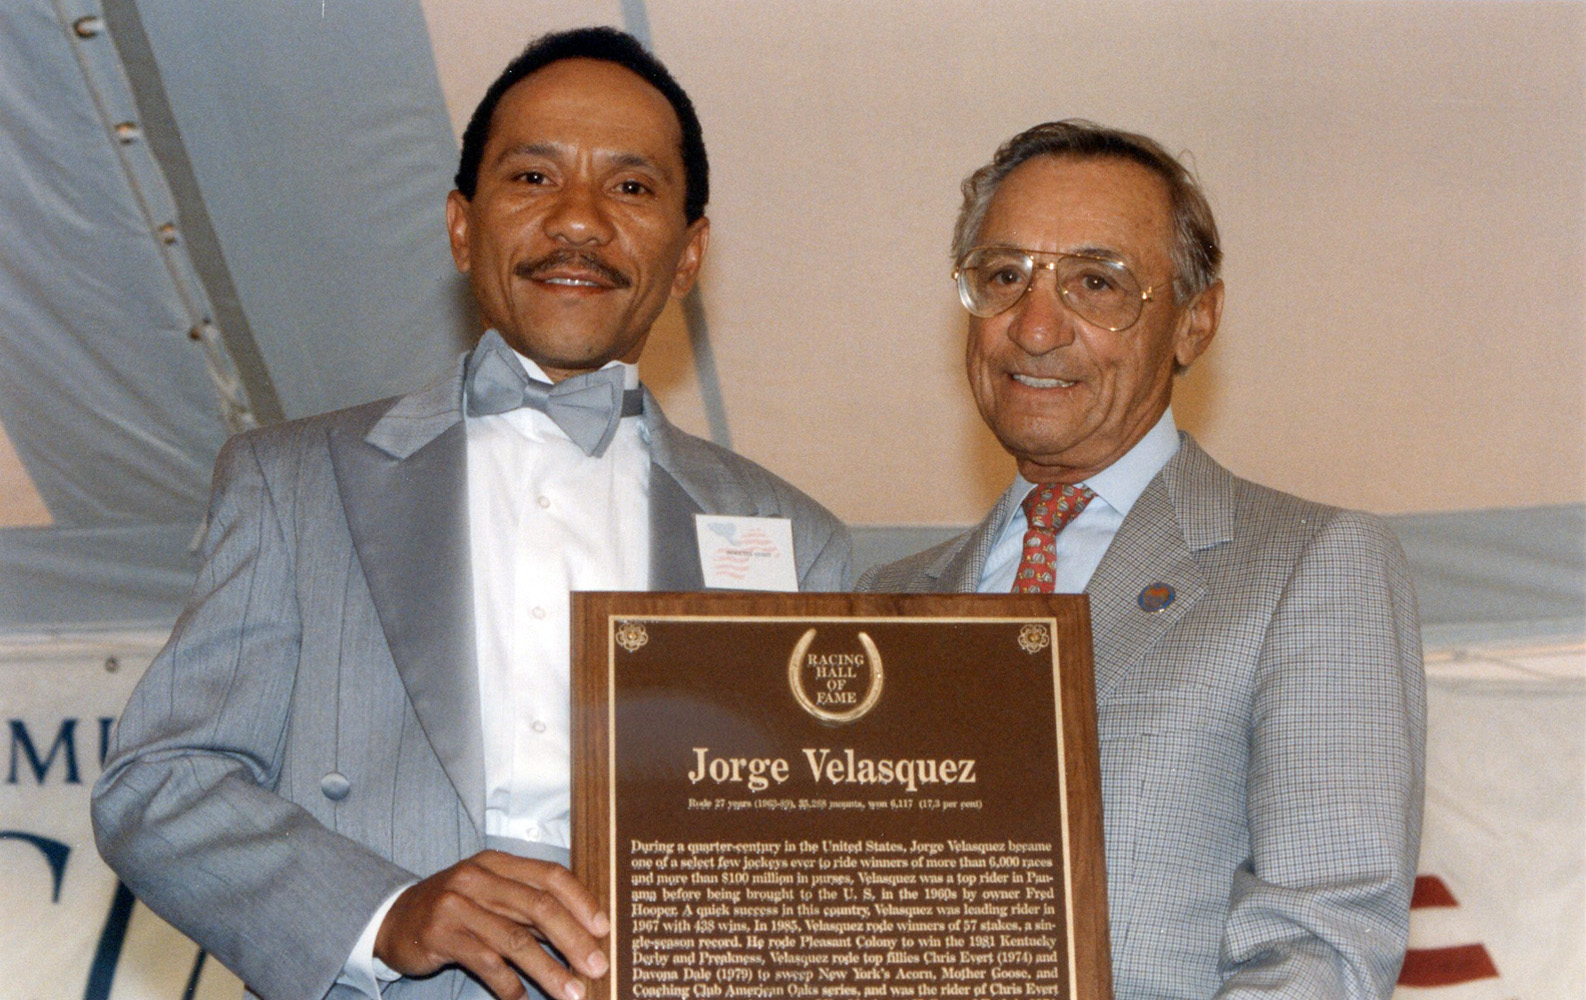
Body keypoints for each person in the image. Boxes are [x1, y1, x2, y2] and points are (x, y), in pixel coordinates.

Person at [92, 27, 850, 1000]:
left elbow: (828, 869)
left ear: (688, 253)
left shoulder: (797, 542)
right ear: (461, 225)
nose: (578, 221)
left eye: (630, 187)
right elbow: (157, 784)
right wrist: (382, 910)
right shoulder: (289, 484)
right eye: (533, 178)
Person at [859, 120, 1424, 999]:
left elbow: (1326, 945)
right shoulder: (882, 598)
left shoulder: (1312, 564)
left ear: (1195, 321)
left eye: (1096, 283)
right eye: (1005, 276)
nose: (1036, 327)